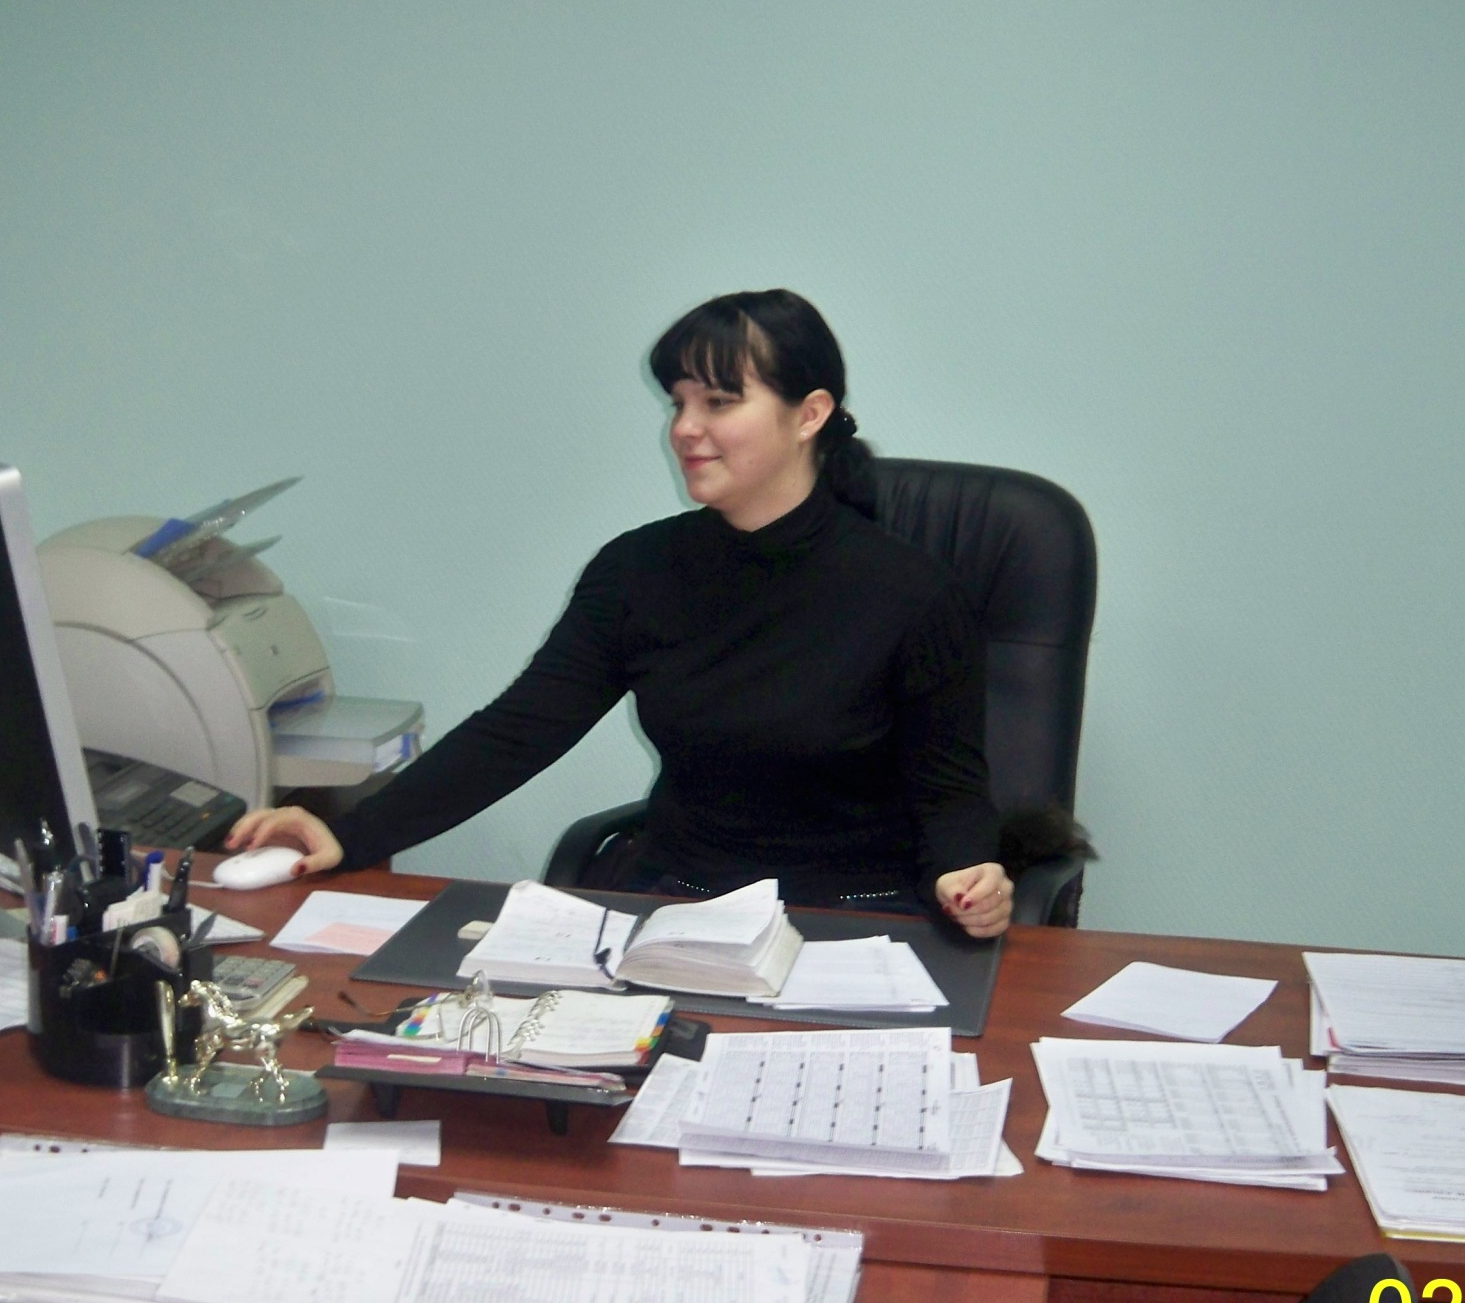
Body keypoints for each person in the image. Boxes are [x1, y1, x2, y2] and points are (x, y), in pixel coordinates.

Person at [226, 289, 1016, 937]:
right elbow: (519, 730)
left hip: (853, 919)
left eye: (718, 401)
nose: (685, 429)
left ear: (809, 414)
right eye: (679, 403)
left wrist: (970, 876)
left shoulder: (912, 593)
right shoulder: (639, 570)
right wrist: (351, 833)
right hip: (678, 908)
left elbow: (950, 791)